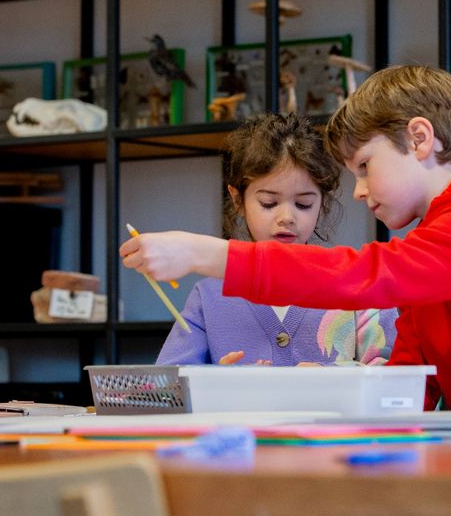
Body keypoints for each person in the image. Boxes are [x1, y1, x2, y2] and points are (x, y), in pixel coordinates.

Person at [122, 65, 451, 421]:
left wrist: (205, 254)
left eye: (365, 166)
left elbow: (367, 276)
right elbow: (410, 383)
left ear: (419, 139)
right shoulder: (438, 249)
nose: (359, 190)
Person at [156, 112, 397, 366]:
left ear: (322, 203)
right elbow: (166, 386)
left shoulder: (359, 284)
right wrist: (216, 381)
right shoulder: (209, 297)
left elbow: (397, 377)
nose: (287, 218)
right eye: (268, 203)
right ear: (237, 199)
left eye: (303, 204)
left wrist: (333, 378)